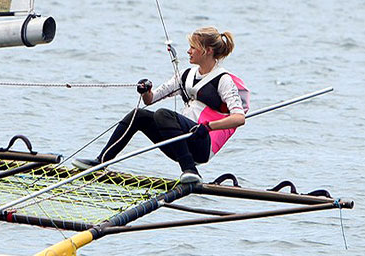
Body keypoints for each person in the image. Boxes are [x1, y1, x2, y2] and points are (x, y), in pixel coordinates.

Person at [72, 26, 249, 183]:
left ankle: (190, 171)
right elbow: (150, 100)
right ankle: (101, 161)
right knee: (138, 114)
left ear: (208, 51)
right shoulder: (186, 75)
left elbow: (239, 118)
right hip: (180, 141)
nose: (188, 51)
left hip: (201, 143)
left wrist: (208, 127)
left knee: (163, 114)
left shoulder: (223, 80)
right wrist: (145, 90)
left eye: (193, 47)